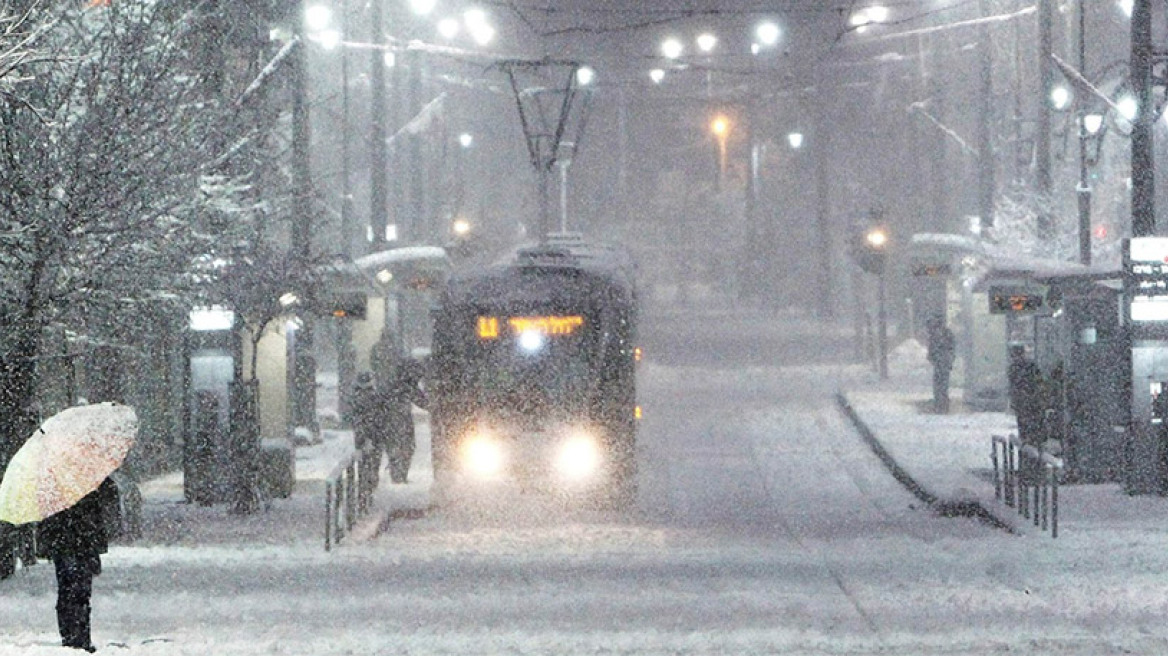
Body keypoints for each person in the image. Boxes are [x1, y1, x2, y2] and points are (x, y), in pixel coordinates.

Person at [37, 477, 118, 653]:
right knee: (77, 589)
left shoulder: (51, 476)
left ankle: (72, 635)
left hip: (68, 539)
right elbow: (108, 494)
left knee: (69, 588)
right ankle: (78, 636)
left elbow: (44, 511)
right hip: (80, 539)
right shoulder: (86, 473)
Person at [371, 332, 427, 484]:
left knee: (392, 446)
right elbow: (418, 396)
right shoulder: (404, 380)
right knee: (404, 445)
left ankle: (394, 473)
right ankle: (398, 475)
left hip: (387, 413)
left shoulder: (394, 378)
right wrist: (433, 406)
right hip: (398, 414)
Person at [349, 371, 385, 509]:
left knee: (365, 469)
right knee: (371, 468)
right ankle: (366, 495)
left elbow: (355, 419)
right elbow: (381, 418)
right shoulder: (376, 398)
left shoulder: (356, 398)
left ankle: (364, 497)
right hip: (374, 438)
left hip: (364, 439)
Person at [1008, 344, 1046, 449]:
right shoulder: (1031, 367)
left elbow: (1014, 388)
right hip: (1032, 405)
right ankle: (1033, 446)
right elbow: (1039, 384)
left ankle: (1027, 445)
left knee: (1025, 427)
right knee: (1033, 429)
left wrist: (1016, 401)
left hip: (1024, 405)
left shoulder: (1014, 368)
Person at [925, 317, 956, 414]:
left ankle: (939, 404)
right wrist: (950, 359)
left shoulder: (934, 334)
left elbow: (932, 348)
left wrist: (932, 357)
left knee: (938, 383)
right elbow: (952, 347)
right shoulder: (947, 333)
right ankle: (944, 404)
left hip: (939, 362)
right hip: (945, 361)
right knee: (944, 384)